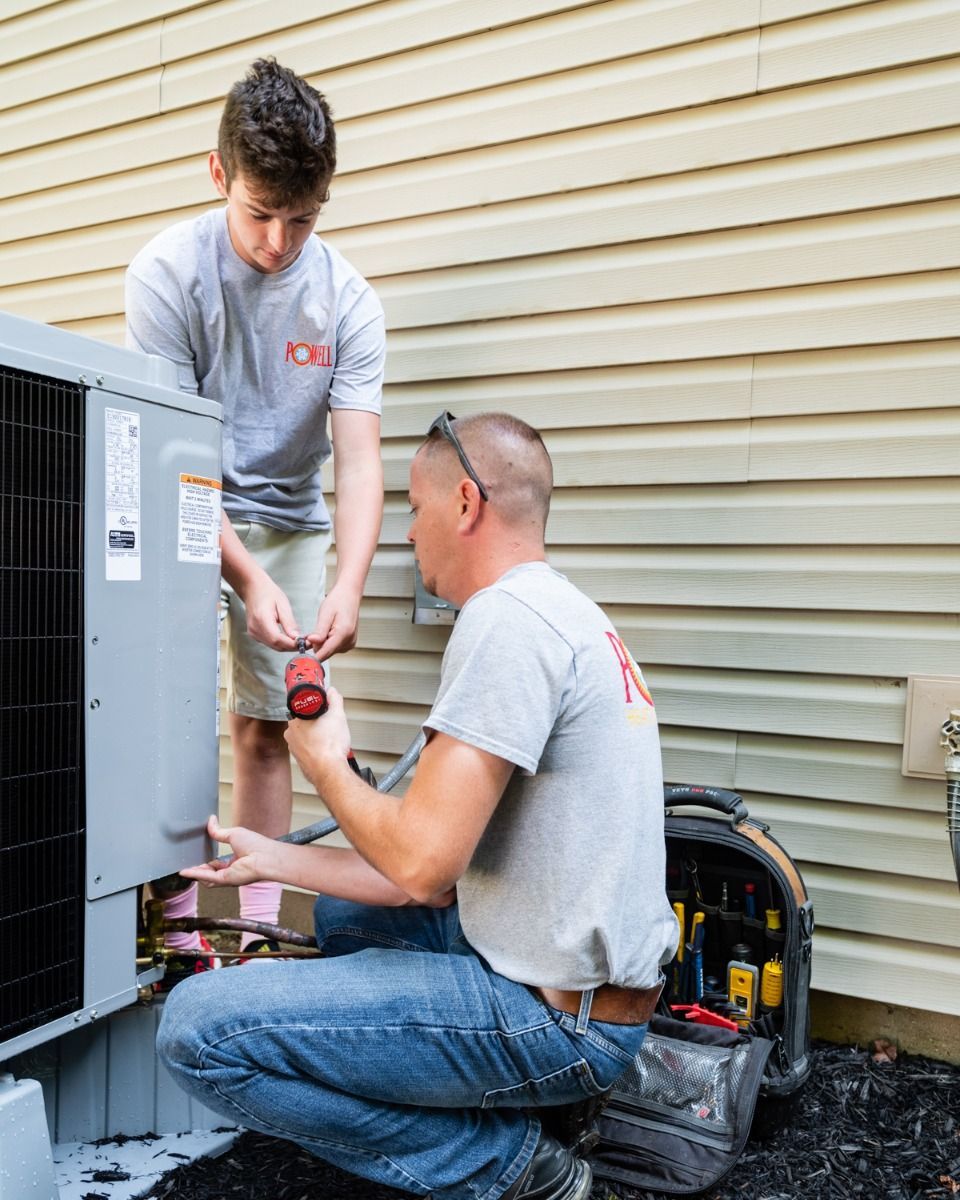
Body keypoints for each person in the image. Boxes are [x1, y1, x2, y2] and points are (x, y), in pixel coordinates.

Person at [157, 412, 680, 1200]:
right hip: (579, 984)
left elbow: (419, 861)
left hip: (559, 1021)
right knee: (342, 922)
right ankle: (520, 1106)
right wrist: (271, 858)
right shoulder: (562, 611)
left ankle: (511, 1169)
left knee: (196, 1030)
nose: (406, 532)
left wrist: (324, 761)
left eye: (413, 507)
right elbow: (427, 886)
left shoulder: (508, 623)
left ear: (465, 503)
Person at [125, 59, 385, 968]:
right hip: (179, 502)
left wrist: (347, 584)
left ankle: (250, 938)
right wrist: (242, 574)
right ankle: (174, 930)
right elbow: (175, 457)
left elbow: (357, 462)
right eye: (259, 213)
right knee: (169, 712)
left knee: (266, 729)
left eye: (303, 219)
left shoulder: (349, 301)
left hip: (289, 516)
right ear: (218, 174)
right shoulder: (167, 274)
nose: (280, 241)